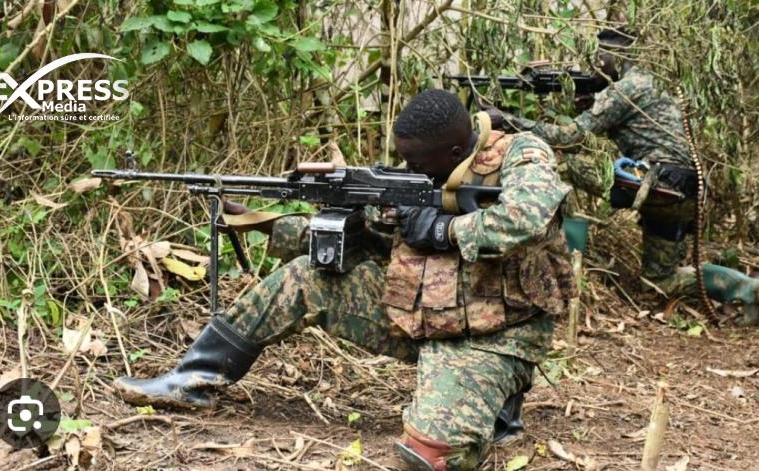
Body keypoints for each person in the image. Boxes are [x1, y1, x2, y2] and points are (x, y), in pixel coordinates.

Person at [113, 89, 578, 470]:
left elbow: (527, 218)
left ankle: (494, 404)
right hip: (422, 316)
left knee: (433, 455)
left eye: (416, 164)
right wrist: (263, 222)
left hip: (493, 336)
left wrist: (443, 229)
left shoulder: (523, 154)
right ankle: (192, 381)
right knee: (306, 277)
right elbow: (375, 245)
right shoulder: (425, 175)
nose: (409, 171)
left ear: (455, 152)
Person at [485, 28, 758, 325]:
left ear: (617, 56)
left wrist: (509, 121)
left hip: (658, 187)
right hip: (683, 191)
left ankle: (554, 245)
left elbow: (569, 138)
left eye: (599, 57)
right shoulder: (653, 81)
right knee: (661, 281)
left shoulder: (626, 88)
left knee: (560, 161)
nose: (595, 64)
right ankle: (747, 287)